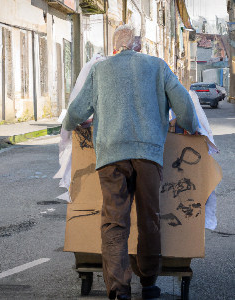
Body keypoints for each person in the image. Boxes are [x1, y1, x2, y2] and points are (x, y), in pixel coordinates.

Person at [62, 25, 199, 300]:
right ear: (138, 45)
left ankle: (119, 289)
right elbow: (183, 104)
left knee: (115, 221)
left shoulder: (100, 70)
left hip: (111, 157)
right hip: (149, 156)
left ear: (115, 47)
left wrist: (69, 127)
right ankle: (148, 283)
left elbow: (77, 110)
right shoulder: (157, 66)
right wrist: (191, 126)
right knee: (149, 218)